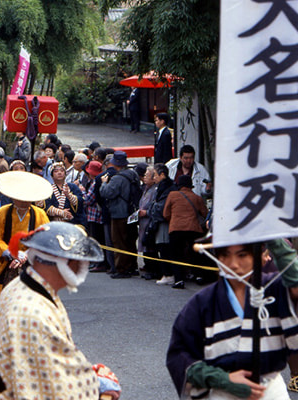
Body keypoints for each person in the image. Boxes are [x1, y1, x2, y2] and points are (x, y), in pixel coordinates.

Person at [0, 222, 121, 400]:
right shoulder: (31, 312)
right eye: (79, 260)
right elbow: (48, 385)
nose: (83, 266)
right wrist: (95, 386)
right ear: (65, 262)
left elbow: (51, 360)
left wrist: (89, 374)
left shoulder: (23, 285)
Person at [167, 239, 298, 399]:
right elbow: (179, 355)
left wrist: (275, 239)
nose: (234, 264)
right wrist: (221, 379)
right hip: (222, 392)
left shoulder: (274, 288)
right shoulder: (202, 303)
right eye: (225, 255)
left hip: (270, 390)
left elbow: (295, 284)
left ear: (256, 256)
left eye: (242, 255)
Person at [0, 171, 51, 346]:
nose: (23, 200)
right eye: (20, 196)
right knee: (0, 300)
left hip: (30, 265)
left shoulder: (40, 215)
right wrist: (11, 253)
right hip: (7, 264)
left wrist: (27, 254)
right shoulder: (2, 213)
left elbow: (46, 239)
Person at [99, 151, 140, 278]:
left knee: (118, 241)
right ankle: (132, 266)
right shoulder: (133, 174)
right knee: (130, 240)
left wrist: (103, 183)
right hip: (131, 211)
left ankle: (121, 268)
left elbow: (107, 193)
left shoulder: (117, 178)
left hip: (119, 213)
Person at [163, 174, 208, 289]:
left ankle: (178, 280)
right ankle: (199, 276)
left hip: (176, 229)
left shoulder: (172, 195)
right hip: (193, 229)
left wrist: (174, 220)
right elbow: (205, 213)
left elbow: (166, 214)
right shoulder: (197, 198)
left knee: (175, 254)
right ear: (190, 186)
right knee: (195, 253)